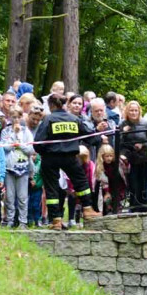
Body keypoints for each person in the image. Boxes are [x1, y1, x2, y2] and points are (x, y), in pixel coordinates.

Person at [32, 93, 99, 229]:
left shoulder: (48, 119)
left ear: (51, 105)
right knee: (81, 183)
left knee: (52, 189)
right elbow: (90, 136)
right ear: (64, 104)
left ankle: (55, 220)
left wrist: (45, 151)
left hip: (50, 158)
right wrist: (99, 137)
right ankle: (87, 209)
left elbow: (37, 143)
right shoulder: (74, 119)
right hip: (70, 157)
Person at [2, 107, 35, 228]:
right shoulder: (6, 131)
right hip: (9, 168)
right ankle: (10, 220)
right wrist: (14, 137)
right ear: (9, 117)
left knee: (22, 197)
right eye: (13, 117)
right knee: (10, 197)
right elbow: (6, 147)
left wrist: (19, 141)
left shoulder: (26, 132)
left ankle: (23, 221)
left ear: (22, 117)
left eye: (18, 117)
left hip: (23, 168)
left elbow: (30, 149)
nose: (16, 119)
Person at [119, 101, 147, 212]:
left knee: (143, 181)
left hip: (143, 157)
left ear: (139, 111)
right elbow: (119, 142)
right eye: (131, 110)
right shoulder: (123, 124)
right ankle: (133, 205)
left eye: (136, 110)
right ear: (127, 111)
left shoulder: (145, 123)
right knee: (132, 183)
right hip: (129, 157)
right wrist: (123, 132)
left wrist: (142, 145)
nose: (133, 112)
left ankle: (143, 205)